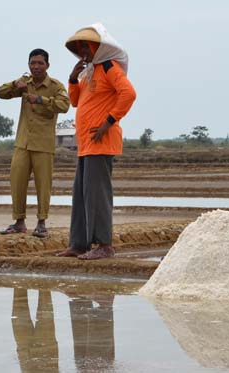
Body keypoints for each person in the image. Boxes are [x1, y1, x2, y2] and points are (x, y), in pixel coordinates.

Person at [57, 23, 137, 260]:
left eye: (86, 47)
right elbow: (75, 101)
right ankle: (79, 244)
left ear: (97, 48)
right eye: (80, 48)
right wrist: (72, 79)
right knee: (81, 194)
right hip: (86, 144)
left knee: (98, 194)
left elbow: (129, 94)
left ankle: (104, 245)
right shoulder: (90, 72)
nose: (83, 51)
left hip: (101, 141)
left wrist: (108, 122)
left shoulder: (109, 67)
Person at [0, 49, 70, 238]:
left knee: (43, 185)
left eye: (40, 63)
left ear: (47, 65)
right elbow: (1, 93)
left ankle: (41, 223)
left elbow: (64, 105)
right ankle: (19, 222)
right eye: (33, 63)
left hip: (43, 144)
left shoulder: (55, 86)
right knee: (17, 181)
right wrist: (15, 84)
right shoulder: (24, 83)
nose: (36, 67)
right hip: (23, 142)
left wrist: (39, 99)